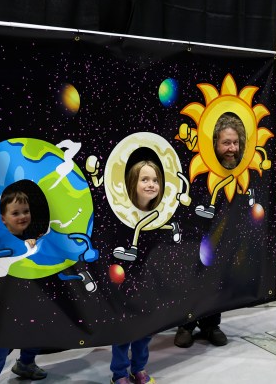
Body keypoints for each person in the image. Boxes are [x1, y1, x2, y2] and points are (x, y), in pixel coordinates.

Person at [174, 115, 246, 348]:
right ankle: (186, 324)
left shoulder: (239, 169)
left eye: (235, 143)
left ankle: (210, 324)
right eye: (226, 143)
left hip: (223, 234)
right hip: (195, 233)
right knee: (192, 274)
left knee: (217, 275)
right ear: (215, 143)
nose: (232, 148)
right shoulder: (200, 167)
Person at [0, 188, 46, 383]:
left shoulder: (30, 237)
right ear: (3, 218)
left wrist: (31, 245)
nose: (22, 216)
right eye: (15, 213)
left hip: (26, 301)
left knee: (37, 333)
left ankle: (25, 364)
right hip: (3, 307)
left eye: (26, 211)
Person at [110, 160, 161, 384]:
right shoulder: (121, 213)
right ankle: (119, 374)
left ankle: (138, 368)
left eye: (155, 180)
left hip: (147, 282)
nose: (151, 184)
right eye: (145, 179)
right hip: (125, 283)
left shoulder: (161, 214)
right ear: (133, 182)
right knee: (124, 331)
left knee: (145, 330)